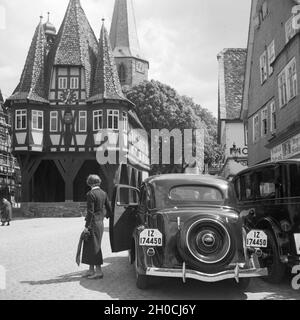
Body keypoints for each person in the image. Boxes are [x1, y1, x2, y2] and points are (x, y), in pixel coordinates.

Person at [81, 175, 112, 279]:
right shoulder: (104, 193)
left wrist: (86, 226)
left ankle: (98, 272)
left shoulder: (90, 194)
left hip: (93, 223)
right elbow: (109, 207)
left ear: (89, 183)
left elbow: (90, 212)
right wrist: (108, 217)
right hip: (100, 223)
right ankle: (91, 270)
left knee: (94, 246)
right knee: (92, 245)